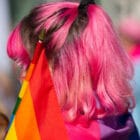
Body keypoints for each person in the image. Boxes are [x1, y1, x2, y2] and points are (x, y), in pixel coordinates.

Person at [6, 0, 140, 139]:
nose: (23, 76)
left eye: (30, 65)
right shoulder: (121, 122)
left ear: (68, 70)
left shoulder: (47, 132)